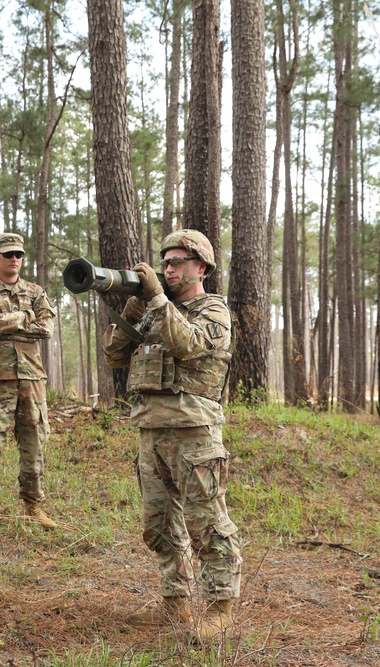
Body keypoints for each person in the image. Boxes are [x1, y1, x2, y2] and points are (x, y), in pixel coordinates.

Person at [102, 230, 241, 642]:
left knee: (207, 523)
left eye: (177, 262)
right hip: (151, 429)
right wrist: (133, 309)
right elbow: (114, 357)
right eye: (165, 262)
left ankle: (220, 609)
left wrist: (158, 301)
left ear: (201, 267)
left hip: (194, 432)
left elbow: (187, 345)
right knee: (159, 524)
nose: (168, 269)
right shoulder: (152, 312)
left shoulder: (213, 310)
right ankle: (175, 603)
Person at [0, 232, 57, 532]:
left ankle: (33, 506)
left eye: (18, 254)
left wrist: (12, 322)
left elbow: (46, 328)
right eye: (8, 254)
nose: (14, 259)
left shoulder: (35, 290)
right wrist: (24, 318)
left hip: (32, 378)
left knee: (34, 443)